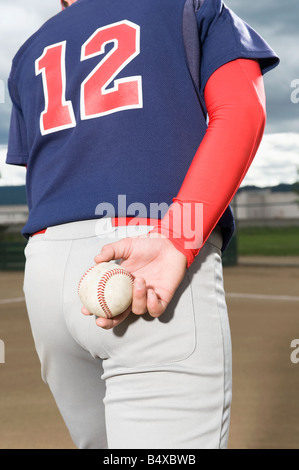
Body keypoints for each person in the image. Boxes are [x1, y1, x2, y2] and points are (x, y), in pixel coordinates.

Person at [6, 0, 279, 449]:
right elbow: (240, 113)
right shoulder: (188, 5)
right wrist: (178, 238)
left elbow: (46, 166)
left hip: (46, 272)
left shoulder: (29, 50)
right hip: (147, 258)